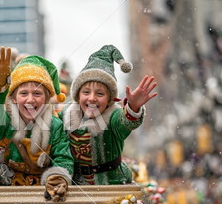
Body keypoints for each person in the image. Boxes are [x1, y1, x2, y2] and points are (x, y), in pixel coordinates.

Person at [0, 46, 73, 202]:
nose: (30, 99)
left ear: (46, 100)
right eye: (23, 93)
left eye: (37, 93)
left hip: (43, 196)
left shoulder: (55, 126)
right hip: (7, 197)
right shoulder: (5, 122)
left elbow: (63, 158)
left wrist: (58, 178)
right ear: (13, 98)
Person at [60, 45, 157, 185]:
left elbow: (125, 123)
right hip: (76, 186)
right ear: (77, 95)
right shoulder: (64, 114)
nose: (92, 98)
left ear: (110, 99)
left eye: (100, 94)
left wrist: (133, 107)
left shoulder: (113, 116)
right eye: (86, 92)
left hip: (113, 183)